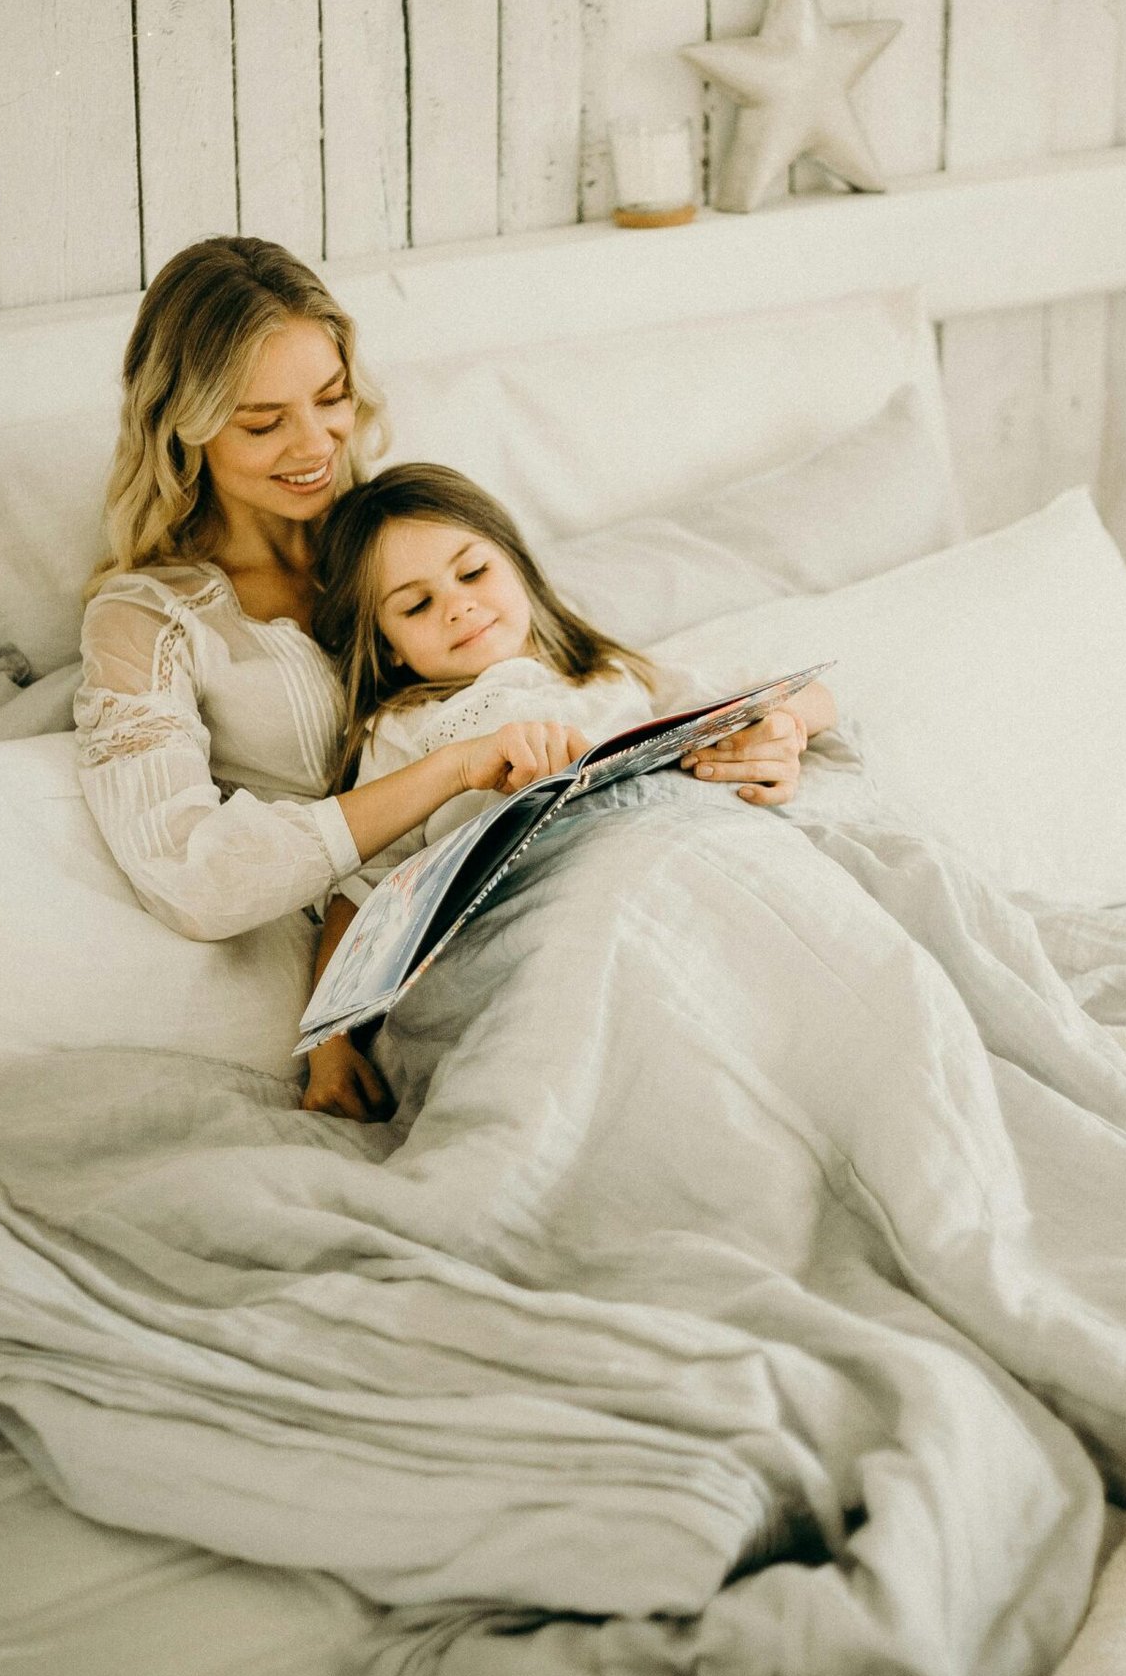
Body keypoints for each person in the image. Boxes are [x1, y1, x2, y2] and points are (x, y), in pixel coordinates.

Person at [74, 234, 827, 1120]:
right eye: (262, 420)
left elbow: (588, 672)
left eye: (331, 397)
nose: (314, 443)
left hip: (593, 858)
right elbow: (195, 881)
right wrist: (454, 769)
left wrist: (778, 729)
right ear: (181, 421)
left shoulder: (412, 537)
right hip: (432, 940)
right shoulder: (147, 622)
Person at [302, 462, 841, 1118]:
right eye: (417, 604)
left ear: (518, 568)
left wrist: (782, 727)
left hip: (680, 864)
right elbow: (360, 895)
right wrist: (328, 1045)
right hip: (545, 923)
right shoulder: (407, 730)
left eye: (473, 573)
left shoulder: (609, 675)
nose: (459, 605)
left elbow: (806, 694)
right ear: (385, 646)